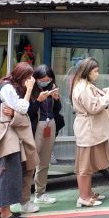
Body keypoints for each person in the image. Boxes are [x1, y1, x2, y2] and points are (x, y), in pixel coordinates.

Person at [0, 63, 38, 218]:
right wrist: (30, 90)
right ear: (22, 76)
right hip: (5, 135)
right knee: (8, 173)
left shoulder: (2, 86)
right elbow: (22, 109)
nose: (30, 80)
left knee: (1, 172)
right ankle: (5, 215)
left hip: (0, 133)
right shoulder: (8, 88)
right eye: (28, 77)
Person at [70, 57, 109, 208]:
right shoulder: (83, 87)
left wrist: (105, 94)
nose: (97, 73)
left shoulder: (85, 85)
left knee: (88, 165)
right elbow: (93, 107)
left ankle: (88, 193)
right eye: (95, 71)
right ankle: (83, 196)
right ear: (88, 72)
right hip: (87, 131)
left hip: (90, 130)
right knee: (84, 166)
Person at [27, 65, 64, 206]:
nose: (45, 82)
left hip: (51, 124)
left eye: (48, 79)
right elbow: (28, 112)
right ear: (36, 79)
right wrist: (38, 101)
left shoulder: (51, 87)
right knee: (31, 162)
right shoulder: (30, 90)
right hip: (37, 127)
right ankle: (24, 197)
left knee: (44, 161)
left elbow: (57, 109)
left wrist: (57, 99)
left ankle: (40, 194)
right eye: (42, 79)